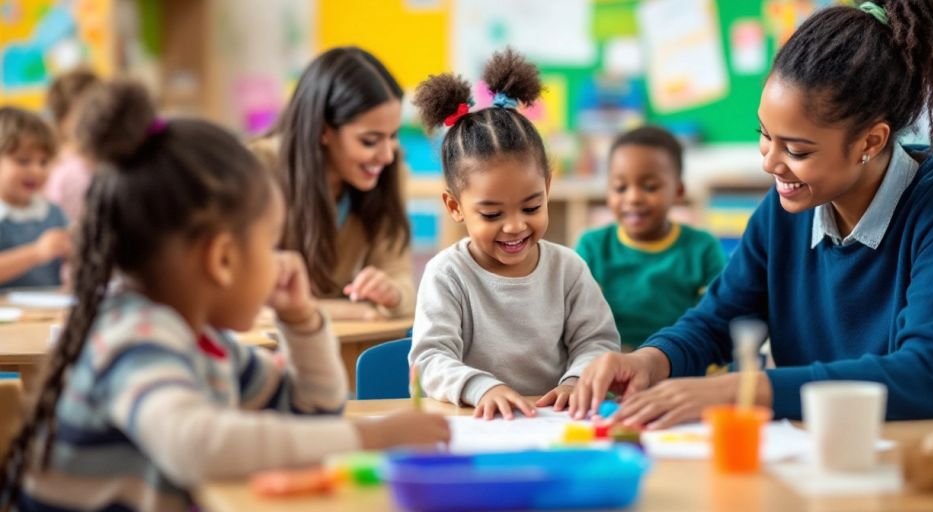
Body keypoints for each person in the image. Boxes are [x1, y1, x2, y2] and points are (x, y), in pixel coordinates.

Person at [570, 0, 933, 430]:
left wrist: (743, 389)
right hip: (841, 443)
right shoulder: (790, 204)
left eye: (797, 149)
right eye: (765, 136)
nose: (770, 162)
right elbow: (718, 319)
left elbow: (930, 375)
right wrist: (652, 359)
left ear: (870, 142)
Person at [0, 81, 449, 512]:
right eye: (270, 242)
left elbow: (314, 413)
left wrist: (303, 322)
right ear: (222, 259)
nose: (281, 259)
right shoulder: (134, 337)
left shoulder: (206, 344)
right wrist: (369, 439)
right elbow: (198, 446)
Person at [409, 49, 620, 420]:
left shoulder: (568, 269)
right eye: (492, 213)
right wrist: (483, 388)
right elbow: (429, 360)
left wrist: (575, 381)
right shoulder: (447, 274)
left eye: (531, 207)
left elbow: (597, 342)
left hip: (554, 426)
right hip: (476, 424)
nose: (515, 226)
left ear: (548, 187)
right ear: (455, 206)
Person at [253, 47, 414, 319]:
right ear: (323, 130)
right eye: (370, 141)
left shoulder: (391, 170)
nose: (387, 155)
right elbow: (250, 300)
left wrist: (392, 293)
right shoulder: (258, 169)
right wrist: (356, 312)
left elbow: (401, 279)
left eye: (393, 135)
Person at [577, 125, 725, 349]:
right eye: (620, 187)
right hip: (611, 357)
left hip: (680, 357)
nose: (634, 198)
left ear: (678, 191)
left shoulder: (702, 248)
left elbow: (720, 312)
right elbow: (574, 316)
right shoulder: (593, 246)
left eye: (650, 187)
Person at [0, 107, 70, 289]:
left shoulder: (53, 213)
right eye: (23, 161)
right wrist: (37, 253)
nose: (37, 171)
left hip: (49, 312)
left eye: (44, 162)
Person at [43, 67, 100, 223]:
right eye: (84, 112)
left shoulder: (98, 159)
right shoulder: (67, 172)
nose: (96, 118)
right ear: (62, 120)